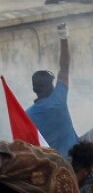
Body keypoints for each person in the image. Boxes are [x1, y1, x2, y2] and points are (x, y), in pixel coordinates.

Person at [27, 22, 79, 155]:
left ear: (34, 89)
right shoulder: (58, 99)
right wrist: (63, 37)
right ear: (51, 85)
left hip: (52, 163)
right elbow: (64, 66)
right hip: (76, 157)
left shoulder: (28, 115)